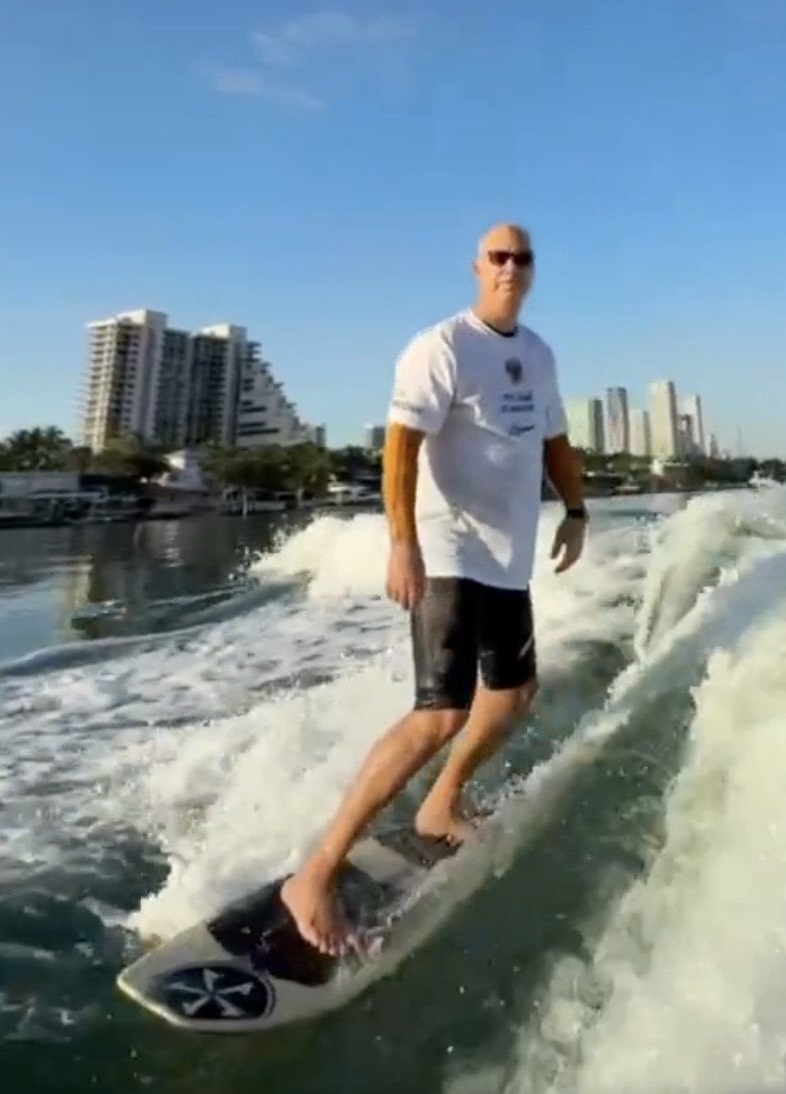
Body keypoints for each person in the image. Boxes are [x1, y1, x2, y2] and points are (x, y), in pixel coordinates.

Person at [280, 222, 588, 955]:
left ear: (533, 271)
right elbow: (400, 447)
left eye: (522, 258)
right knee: (441, 712)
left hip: (506, 558)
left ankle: (440, 803)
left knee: (512, 695)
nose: (510, 267)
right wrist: (402, 542)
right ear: (477, 268)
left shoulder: (538, 354)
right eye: (498, 257)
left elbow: (555, 442)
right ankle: (314, 873)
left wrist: (577, 511)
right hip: (448, 547)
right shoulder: (443, 345)